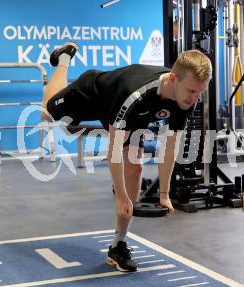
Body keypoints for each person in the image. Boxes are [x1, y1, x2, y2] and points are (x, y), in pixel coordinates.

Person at [42, 42, 212, 272]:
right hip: (93, 94)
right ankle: (63, 60)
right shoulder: (136, 93)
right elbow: (113, 149)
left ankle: (118, 246)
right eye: (192, 91)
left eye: (200, 92)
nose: (195, 98)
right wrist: (121, 196)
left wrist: (164, 193)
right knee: (46, 114)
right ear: (173, 79)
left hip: (133, 116)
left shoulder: (186, 101)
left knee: (135, 168)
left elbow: (169, 147)